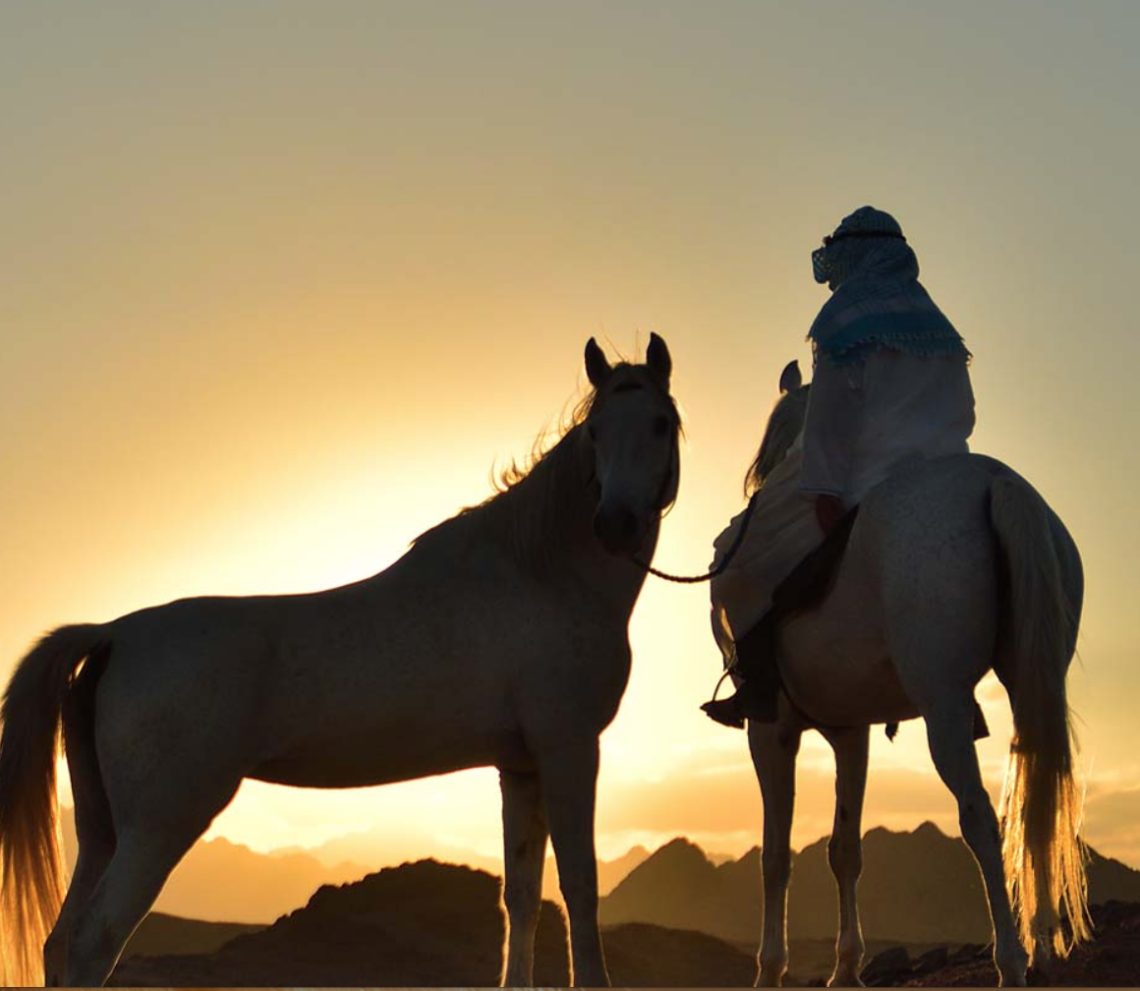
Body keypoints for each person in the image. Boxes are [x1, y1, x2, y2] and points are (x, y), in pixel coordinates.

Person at [703, 206, 975, 728]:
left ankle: (756, 687)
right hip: (945, 475)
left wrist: (826, 491)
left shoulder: (841, 324)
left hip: (864, 479)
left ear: (851, 261)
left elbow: (827, 424)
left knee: (732, 560)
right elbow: (964, 410)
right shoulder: (938, 326)